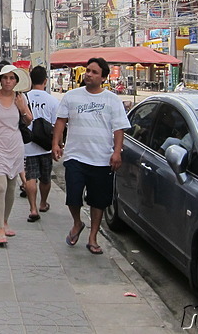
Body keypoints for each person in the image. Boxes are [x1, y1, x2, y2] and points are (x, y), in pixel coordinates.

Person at [52, 57, 130, 255]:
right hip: (75, 156)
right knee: (72, 197)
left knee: (98, 201)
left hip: (102, 159)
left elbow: (119, 128)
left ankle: (93, 236)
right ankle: (77, 223)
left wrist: (116, 152)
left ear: (103, 77)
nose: (89, 74)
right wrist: (56, 143)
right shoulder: (71, 96)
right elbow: (61, 121)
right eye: (88, 70)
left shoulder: (112, 100)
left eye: (94, 72)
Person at [0, 65, 32, 246]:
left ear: (16, 81)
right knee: (0, 187)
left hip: (15, 146)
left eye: (12, 78)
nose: (8, 81)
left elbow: (29, 120)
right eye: (5, 78)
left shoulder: (20, 97)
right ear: (0, 80)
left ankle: (6, 220)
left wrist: (22, 108)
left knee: (11, 187)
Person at [23, 65, 58, 222]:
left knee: (31, 177)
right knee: (45, 178)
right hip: (45, 145)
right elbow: (58, 125)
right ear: (45, 80)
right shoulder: (52, 100)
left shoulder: (23, 98)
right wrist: (58, 144)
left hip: (28, 144)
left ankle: (33, 208)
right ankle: (43, 203)